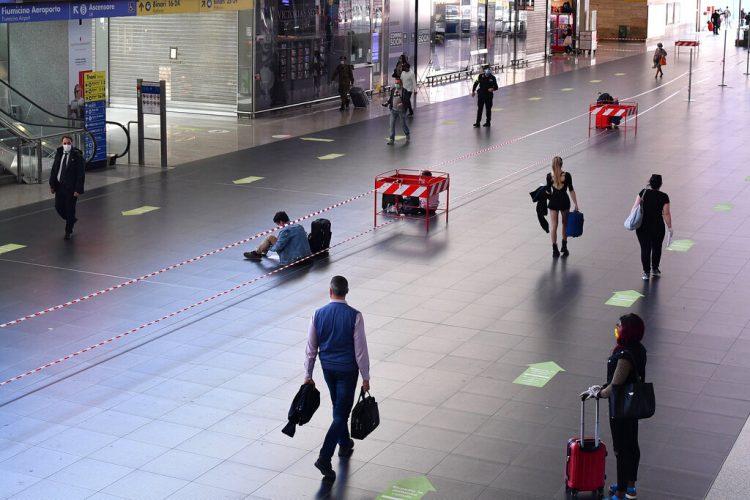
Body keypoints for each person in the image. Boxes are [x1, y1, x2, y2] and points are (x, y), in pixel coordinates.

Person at [303, 275, 370, 483]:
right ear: (347, 291)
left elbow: (311, 348)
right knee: (341, 411)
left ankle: (344, 442)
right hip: (348, 371)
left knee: (338, 407)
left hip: (328, 368)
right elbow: (360, 350)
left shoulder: (317, 314)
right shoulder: (355, 316)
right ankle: (325, 456)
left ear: (330, 291)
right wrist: (365, 376)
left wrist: (308, 375)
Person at [580, 313, 647, 500]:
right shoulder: (639, 348)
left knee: (621, 450)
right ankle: (630, 487)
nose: (616, 328)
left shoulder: (625, 354)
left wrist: (597, 393)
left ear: (627, 330)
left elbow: (615, 386)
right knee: (632, 445)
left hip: (621, 408)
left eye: (619, 325)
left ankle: (620, 493)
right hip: (633, 405)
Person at [632, 174, 672, 280]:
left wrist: (633, 220)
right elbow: (666, 213)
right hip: (658, 227)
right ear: (661, 184)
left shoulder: (643, 193)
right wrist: (670, 227)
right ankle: (655, 269)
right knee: (657, 247)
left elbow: (635, 208)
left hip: (642, 227)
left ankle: (646, 272)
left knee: (645, 249)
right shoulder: (664, 196)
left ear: (649, 182)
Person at [49, 135, 85, 240]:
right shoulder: (59, 153)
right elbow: (54, 169)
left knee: (70, 209)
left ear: (72, 143)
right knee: (58, 206)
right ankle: (71, 219)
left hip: (71, 188)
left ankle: (68, 230)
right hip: (59, 186)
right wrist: (52, 184)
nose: (66, 145)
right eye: (64, 143)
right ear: (62, 144)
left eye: (68, 143)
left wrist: (78, 189)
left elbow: (80, 174)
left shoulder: (77, 156)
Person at [244, 211, 312, 265]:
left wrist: (269, 247)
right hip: (307, 256)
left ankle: (257, 252)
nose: (279, 226)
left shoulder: (285, 231)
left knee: (270, 237)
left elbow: (278, 247)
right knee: (272, 238)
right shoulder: (299, 226)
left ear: (281, 222)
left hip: (293, 259)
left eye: (278, 224)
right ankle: (261, 251)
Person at [545, 156, 579, 258]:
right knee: (565, 224)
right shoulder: (567, 176)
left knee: (554, 226)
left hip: (553, 203)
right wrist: (576, 204)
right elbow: (571, 190)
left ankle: (554, 249)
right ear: (561, 164)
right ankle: (564, 246)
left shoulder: (549, 176)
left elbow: (548, 191)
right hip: (564, 202)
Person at [382, 78, 410, 145]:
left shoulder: (404, 91)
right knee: (392, 125)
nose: (396, 84)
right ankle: (391, 139)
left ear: (401, 84)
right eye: (395, 83)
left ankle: (407, 134)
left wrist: (402, 104)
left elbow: (407, 101)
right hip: (393, 110)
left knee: (403, 124)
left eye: (397, 83)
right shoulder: (393, 90)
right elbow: (391, 98)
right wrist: (387, 103)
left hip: (401, 111)